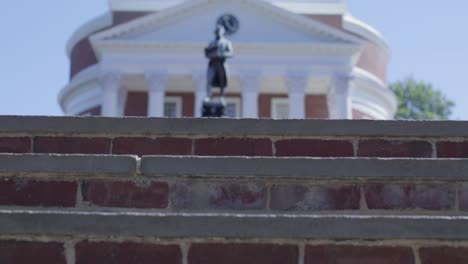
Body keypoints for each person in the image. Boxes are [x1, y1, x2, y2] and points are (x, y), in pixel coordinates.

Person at [204, 25, 234, 102]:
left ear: (223, 32)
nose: (218, 32)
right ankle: (208, 96)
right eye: (217, 31)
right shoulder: (212, 42)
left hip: (221, 63)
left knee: (222, 80)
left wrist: (221, 54)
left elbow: (230, 53)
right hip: (213, 63)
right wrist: (210, 53)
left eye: (219, 31)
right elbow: (207, 53)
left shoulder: (226, 42)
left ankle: (221, 96)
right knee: (209, 79)